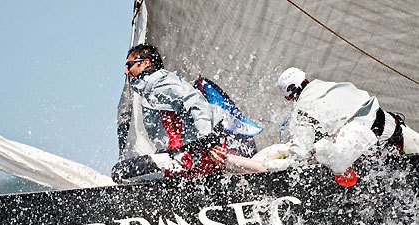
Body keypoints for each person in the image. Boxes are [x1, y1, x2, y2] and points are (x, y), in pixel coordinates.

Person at [113, 43, 260, 182]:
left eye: (129, 65)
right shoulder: (151, 87)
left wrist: (208, 142)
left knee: (120, 173)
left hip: (189, 158)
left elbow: (196, 102)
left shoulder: (160, 82)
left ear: (145, 63)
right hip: (184, 156)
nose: (125, 71)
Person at [276, 67, 419, 174]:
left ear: (287, 98)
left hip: (366, 139)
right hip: (391, 124)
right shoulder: (330, 85)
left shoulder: (302, 111)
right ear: (306, 79)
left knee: (326, 157)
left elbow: (300, 153)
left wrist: (286, 163)